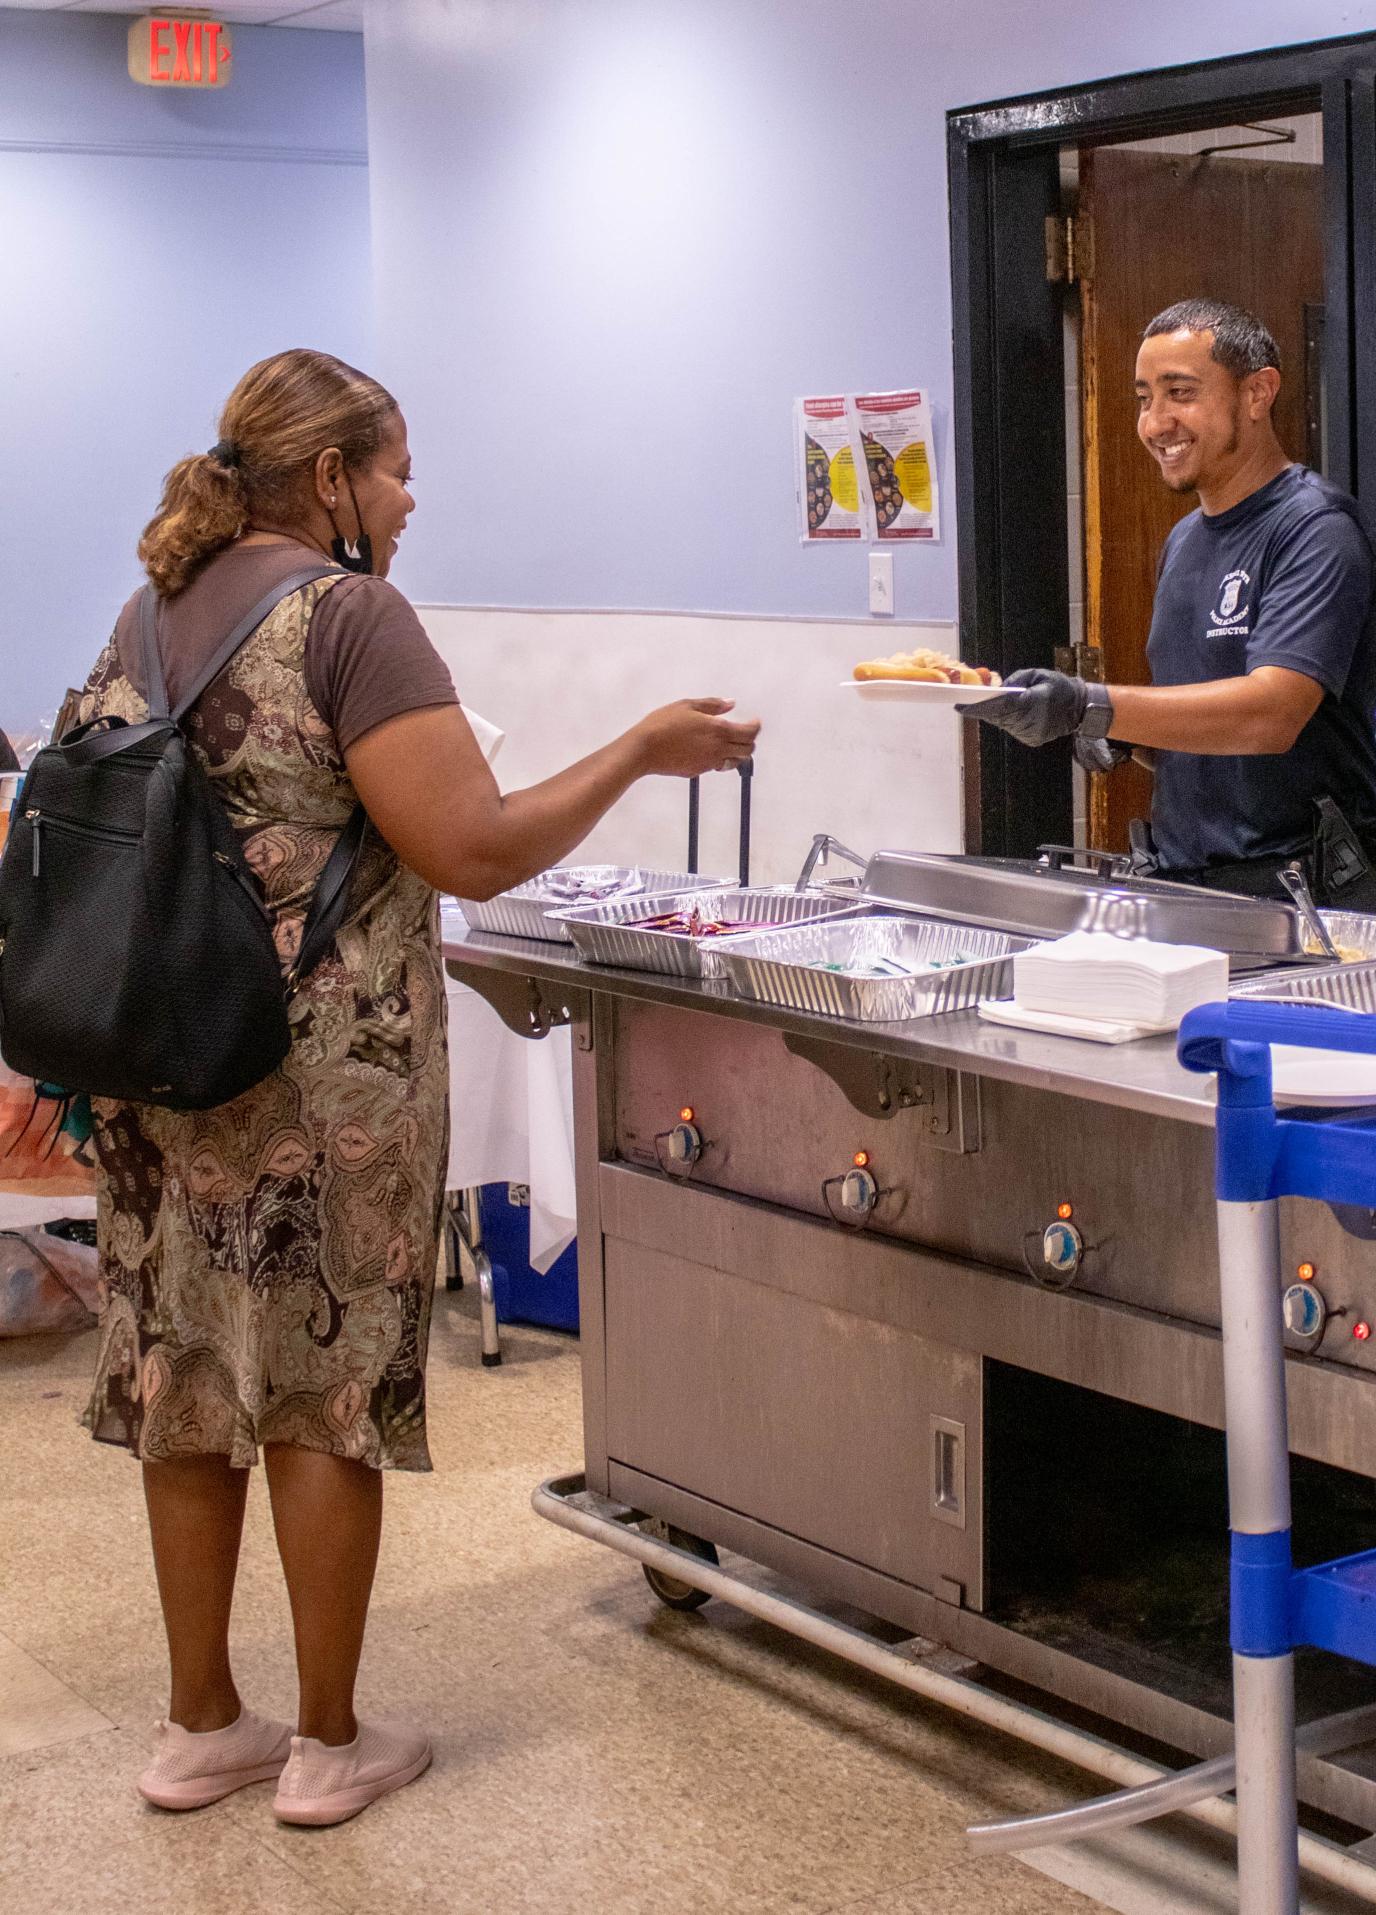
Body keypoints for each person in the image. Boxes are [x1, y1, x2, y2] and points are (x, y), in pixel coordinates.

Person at [72, 349, 759, 1825]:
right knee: (322, 1391)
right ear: (330, 478)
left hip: (161, 1064)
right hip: (320, 1073)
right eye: (392, 470)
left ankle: (201, 1721)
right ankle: (326, 1739)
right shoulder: (351, 613)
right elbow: (476, 844)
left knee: (183, 1379)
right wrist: (642, 746)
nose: (406, 497)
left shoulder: (153, 605)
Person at [964, 298, 1376, 911]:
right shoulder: (1186, 539)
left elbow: (1271, 715)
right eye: (1144, 397)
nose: (1155, 422)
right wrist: (1119, 735)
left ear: (1257, 393)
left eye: (1180, 392)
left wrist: (1093, 704)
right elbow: (1205, 732)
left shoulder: (1316, 529)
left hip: (1303, 899)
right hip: (1185, 886)